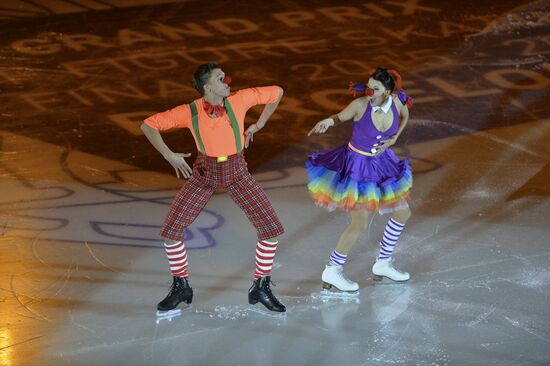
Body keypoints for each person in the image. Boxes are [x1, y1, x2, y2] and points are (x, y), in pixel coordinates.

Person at [141, 63, 286, 312]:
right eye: (221, 79)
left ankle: (261, 286)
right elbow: (148, 125)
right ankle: (181, 286)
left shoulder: (240, 100)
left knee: (270, 228)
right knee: (172, 231)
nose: (228, 81)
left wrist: (260, 124)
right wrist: (169, 156)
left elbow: (277, 92)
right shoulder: (190, 111)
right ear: (208, 87)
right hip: (204, 173)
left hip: (237, 171)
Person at [307, 67, 414, 292]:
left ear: (387, 90)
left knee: (403, 212)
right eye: (368, 86)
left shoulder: (396, 102)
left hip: (383, 164)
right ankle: (333, 270)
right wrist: (329, 120)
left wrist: (394, 138)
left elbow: (405, 116)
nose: (369, 91)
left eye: (375, 88)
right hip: (358, 167)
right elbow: (340, 117)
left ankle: (383, 263)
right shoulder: (360, 105)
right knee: (359, 224)